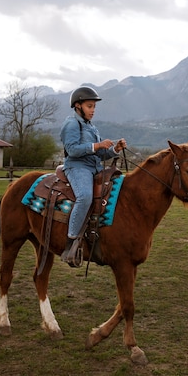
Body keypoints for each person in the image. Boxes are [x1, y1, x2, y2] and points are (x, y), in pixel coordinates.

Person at [60, 86, 126, 264]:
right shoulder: (72, 124)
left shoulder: (91, 128)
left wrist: (114, 150)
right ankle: (71, 242)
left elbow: (99, 155)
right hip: (77, 167)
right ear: (78, 106)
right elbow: (72, 150)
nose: (93, 110)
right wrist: (97, 146)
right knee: (85, 196)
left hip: (94, 168)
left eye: (94, 107)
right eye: (90, 106)